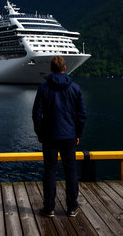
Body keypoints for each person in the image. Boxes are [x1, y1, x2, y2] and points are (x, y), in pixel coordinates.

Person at [32, 56, 87, 218]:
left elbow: (36, 114)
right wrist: (78, 133)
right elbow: (82, 115)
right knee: (71, 171)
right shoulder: (75, 88)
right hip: (69, 136)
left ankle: (49, 208)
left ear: (51, 69)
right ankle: (72, 207)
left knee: (49, 171)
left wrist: (39, 133)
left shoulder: (43, 88)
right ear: (64, 69)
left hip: (49, 136)